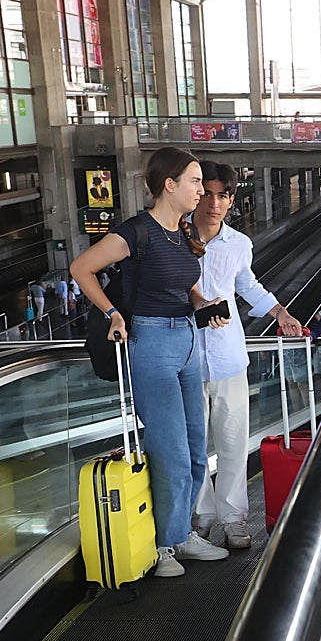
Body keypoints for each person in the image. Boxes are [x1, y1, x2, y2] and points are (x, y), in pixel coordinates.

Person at [70, 146, 225, 578]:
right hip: (151, 342)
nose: (201, 190)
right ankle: (164, 546)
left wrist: (202, 302)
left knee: (197, 447)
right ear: (169, 185)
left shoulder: (182, 233)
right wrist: (112, 313)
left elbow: (180, 283)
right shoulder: (136, 232)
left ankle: (181, 533)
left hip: (188, 339)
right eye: (194, 182)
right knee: (170, 449)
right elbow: (81, 268)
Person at [190, 160, 303, 552]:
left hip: (227, 357)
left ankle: (234, 518)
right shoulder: (170, 237)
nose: (213, 203)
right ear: (193, 192)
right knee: (193, 444)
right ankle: (200, 518)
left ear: (232, 200)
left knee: (233, 441)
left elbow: (247, 285)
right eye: (206, 193)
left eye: (222, 195)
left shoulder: (238, 244)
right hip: (183, 358)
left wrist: (281, 313)